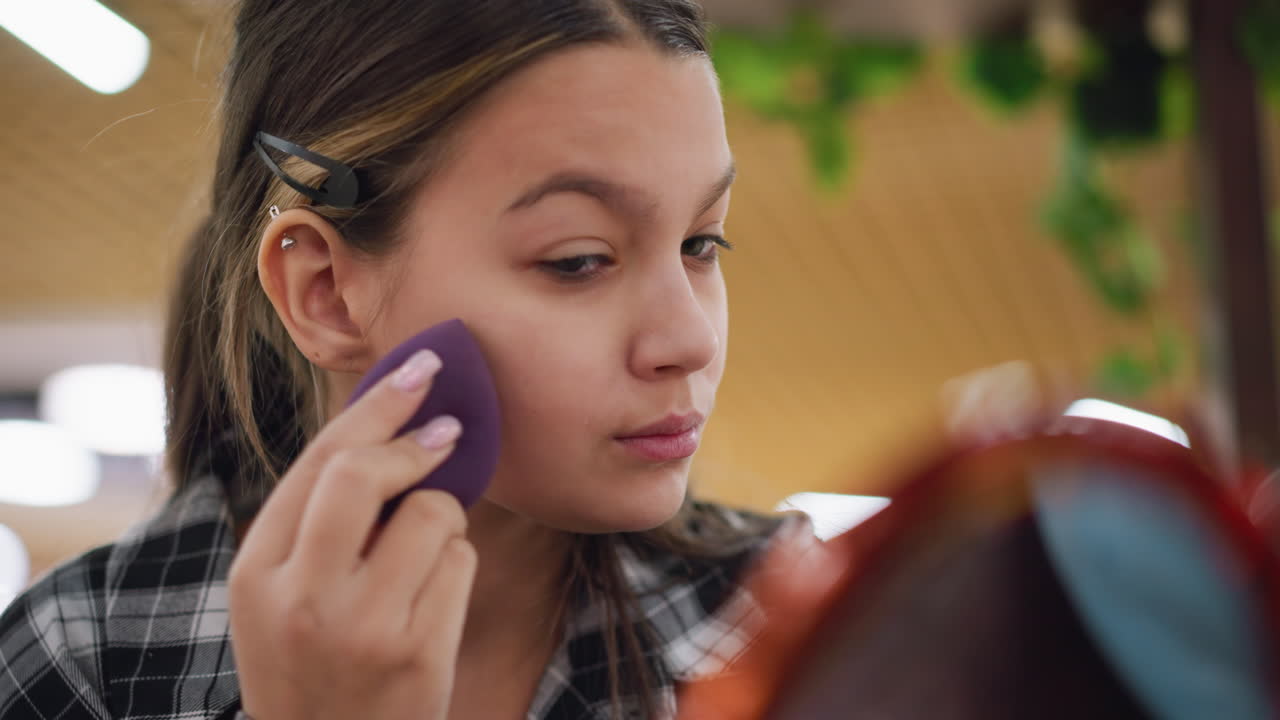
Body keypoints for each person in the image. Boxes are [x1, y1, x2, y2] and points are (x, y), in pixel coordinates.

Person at [0, 1, 817, 718]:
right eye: (578, 259)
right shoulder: (88, 657)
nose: (690, 340)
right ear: (324, 291)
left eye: (701, 243)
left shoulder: (796, 628)